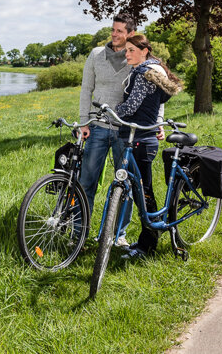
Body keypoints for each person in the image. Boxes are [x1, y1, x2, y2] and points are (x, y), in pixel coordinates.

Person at [115, 34, 183, 258]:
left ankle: (148, 245)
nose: (127, 55)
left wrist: (113, 111)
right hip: (141, 136)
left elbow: (133, 104)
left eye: (131, 50)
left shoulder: (145, 73)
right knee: (140, 190)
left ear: (145, 51)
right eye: (126, 50)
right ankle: (147, 239)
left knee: (143, 192)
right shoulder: (151, 71)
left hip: (141, 138)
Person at [78, 13, 137, 247]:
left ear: (130, 34)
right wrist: (84, 121)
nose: (114, 34)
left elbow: (155, 88)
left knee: (126, 183)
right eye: (113, 30)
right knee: (86, 182)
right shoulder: (95, 55)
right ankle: (78, 231)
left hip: (126, 131)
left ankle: (118, 234)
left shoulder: (137, 57)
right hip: (98, 127)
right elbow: (86, 89)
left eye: (120, 31)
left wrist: (158, 120)